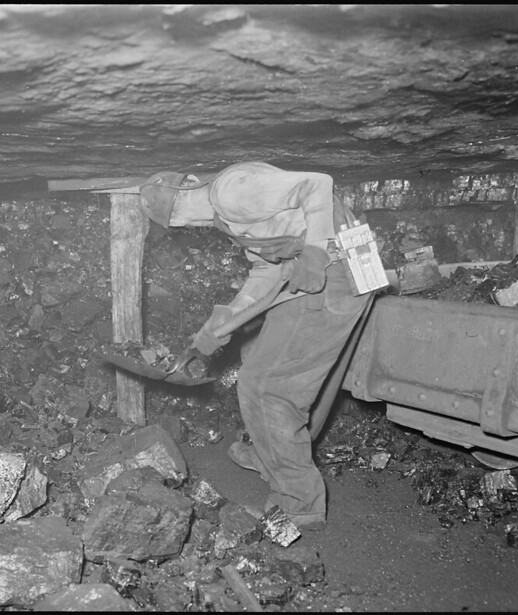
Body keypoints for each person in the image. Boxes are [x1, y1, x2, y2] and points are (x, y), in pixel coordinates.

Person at [140, 161, 375, 530]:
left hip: (330, 272)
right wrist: (227, 320)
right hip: (334, 272)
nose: (186, 224)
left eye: (178, 211)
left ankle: (298, 503)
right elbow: (266, 272)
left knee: (266, 387)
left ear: (187, 185)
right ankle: (272, 457)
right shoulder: (227, 219)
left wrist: (314, 252)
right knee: (285, 372)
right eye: (176, 225)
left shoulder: (229, 191)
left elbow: (317, 184)